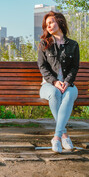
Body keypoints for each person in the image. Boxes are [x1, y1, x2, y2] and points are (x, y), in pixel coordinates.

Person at [37, 11, 79, 153]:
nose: (49, 26)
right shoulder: (44, 44)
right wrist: (55, 82)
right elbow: (42, 67)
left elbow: (74, 67)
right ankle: (64, 135)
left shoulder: (73, 45)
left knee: (68, 95)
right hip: (48, 85)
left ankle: (56, 137)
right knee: (55, 94)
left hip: (68, 85)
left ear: (60, 22)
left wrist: (66, 82)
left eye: (51, 22)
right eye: (46, 24)